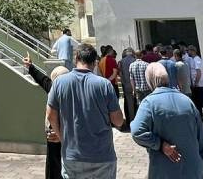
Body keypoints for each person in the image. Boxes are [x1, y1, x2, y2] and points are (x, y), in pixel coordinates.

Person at [45, 43, 124, 179]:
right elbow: (118, 121)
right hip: (102, 155)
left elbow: (50, 115)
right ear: (94, 62)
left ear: (76, 59)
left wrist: (62, 137)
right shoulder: (104, 85)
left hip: (72, 155)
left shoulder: (59, 83)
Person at [130, 63, 203, 179]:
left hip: (165, 170)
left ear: (150, 79)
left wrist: (160, 144)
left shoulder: (149, 103)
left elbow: (137, 132)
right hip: (194, 169)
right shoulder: (187, 100)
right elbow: (202, 139)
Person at [24, 53, 67, 179]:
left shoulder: (70, 96)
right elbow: (42, 79)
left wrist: (61, 134)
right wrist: (30, 66)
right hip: (55, 138)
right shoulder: (54, 88)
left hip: (63, 137)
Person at [186, 46, 203, 127]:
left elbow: (198, 72)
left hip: (200, 85)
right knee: (201, 103)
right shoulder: (194, 59)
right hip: (200, 85)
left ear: (192, 51)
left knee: (201, 103)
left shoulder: (197, 60)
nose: (188, 52)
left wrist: (195, 83)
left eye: (188, 51)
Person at [117, 48, 138, 132]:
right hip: (136, 86)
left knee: (130, 106)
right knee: (137, 103)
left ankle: (131, 123)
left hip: (127, 85)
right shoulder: (135, 60)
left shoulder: (121, 62)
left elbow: (120, 74)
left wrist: (124, 83)